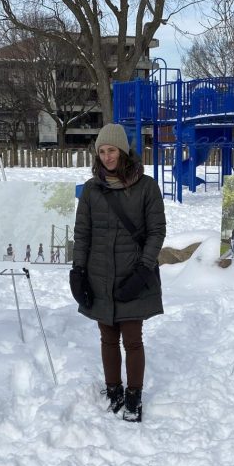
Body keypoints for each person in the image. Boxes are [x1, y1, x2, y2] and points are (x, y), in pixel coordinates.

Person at [72, 123, 166, 423]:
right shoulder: (91, 189)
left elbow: (156, 232)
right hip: (99, 273)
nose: (107, 156)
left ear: (123, 151)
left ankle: (134, 394)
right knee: (107, 337)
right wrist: (78, 270)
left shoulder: (147, 186)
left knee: (132, 338)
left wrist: (143, 269)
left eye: (111, 150)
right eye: (101, 151)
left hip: (132, 273)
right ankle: (113, 389)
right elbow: (82, 233)